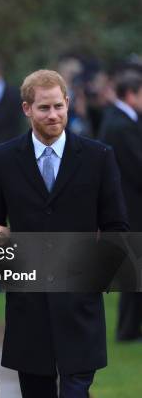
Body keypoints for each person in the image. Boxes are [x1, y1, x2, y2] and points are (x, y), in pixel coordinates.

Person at [0, 69, 129, 398]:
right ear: (27, 109)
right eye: (44, 108)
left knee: (76, 391)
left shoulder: (98, 156)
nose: (53, 115)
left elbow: (116, 227)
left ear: (68, 103)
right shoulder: (3, 159)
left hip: (79, 304)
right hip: (28, 305)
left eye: (59, 106)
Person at [99, 72, 142, 342]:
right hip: (131, 206)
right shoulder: (120, 125)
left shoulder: (122, 120)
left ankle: (131, 328)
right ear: (131, 94)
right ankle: (127, 330)